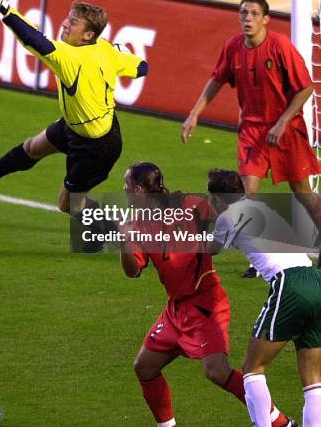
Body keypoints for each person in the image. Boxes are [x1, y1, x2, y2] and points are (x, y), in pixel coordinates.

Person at [0, 0, 148, 243]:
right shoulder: (105, 49)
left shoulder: (70, 58)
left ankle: (121, 232)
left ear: (88, 34)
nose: (65, 24)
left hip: (96, 146)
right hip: (77, 126)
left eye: (73, 22)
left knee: (67, 205)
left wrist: (3, 7)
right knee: (33, 146)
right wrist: (120, 53)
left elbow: (33, 40)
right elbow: (142, 67)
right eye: (68, 17)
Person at [120, 161, 296, 427]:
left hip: (205, 305)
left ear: (140, 189)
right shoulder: (136, 225)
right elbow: (132, 271)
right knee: (144, 367)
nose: (123, 190)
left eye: (126, 185)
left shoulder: (189, 204)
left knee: (217, 371)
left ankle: (280, 422)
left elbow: (227, 207)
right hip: (176, 310)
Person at [181, 0, 321, 275]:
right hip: (252, 132)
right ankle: (258, 258)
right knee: (248, 195)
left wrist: (282, 123)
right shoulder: (233, 47)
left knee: (302, 192)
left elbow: (305, 88)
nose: (248, 19)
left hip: (286, 130)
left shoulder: (280, 46)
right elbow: (216, 79)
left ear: (266, 19)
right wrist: (195, 113)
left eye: (254, 14)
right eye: (244, 13)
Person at [207, 168, 321, 427]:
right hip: (315, 281)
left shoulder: (227, 217)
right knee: (313, 380)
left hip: (290, 285)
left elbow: (209, 249)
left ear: (216, 198)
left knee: (253, 369)